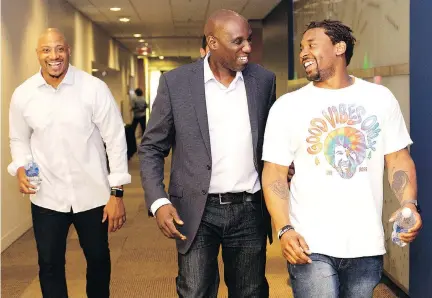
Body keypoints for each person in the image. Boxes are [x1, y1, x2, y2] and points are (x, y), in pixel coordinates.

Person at [261, 20, 422, 298]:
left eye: (311, 44)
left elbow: (398, 160)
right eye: (301, 48)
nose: (303, 53)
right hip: (309, 243)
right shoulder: (287, 107)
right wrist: (284, 228)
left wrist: (409, 204)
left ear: (339, 47)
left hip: (365, 242)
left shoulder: (379, 98)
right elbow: (274, 173)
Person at [139, 9, 276, 298]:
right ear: (212, 43)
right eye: (238, 41)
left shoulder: (263, 81)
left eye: (248, 39)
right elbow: (152, 147)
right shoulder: (176, 83)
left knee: (250, 292)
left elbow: (270, 143)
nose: (248, 48)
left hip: (249, 209)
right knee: (195, 292)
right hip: (196, 210)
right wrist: (158, 201)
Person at [8, 28, 131, 298]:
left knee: (98, 259)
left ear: (68, 51)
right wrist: (20, 166)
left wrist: (117, 192)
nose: (54, 56)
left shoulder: (93, 88)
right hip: (48, 197)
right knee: (50, 265)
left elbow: (115, 139)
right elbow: (18, 138)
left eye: (59, 49)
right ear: (38, 54)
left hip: (93, 195)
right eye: (47, 50)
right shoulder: (23, 94)